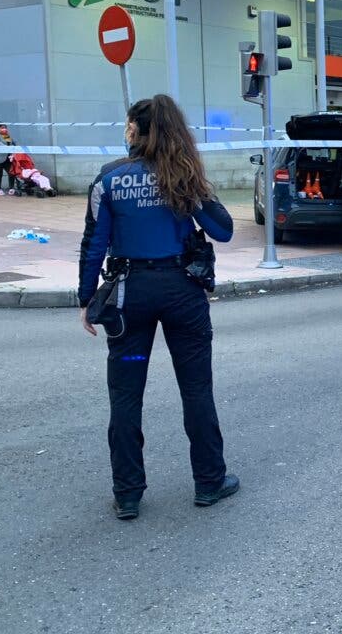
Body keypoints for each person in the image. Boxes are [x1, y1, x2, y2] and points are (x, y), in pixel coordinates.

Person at [78, 94, 238, 521]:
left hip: (130, 300)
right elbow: (222, 231)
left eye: (128, 124)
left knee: (126, 393)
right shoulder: (185, 177)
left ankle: (128, 492)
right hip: (183, 295)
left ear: (136, 130)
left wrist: (85, 298)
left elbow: (93, 244)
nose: (125, 130)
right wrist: (196, 193)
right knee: (196, 389)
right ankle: (209, 482)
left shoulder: (109, 180)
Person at [0, 123, 15, 196]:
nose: (5, 129)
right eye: (2, 128)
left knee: (11, 173)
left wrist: (15, 147)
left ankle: (11, 188)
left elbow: (12, 143)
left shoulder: (6, 135)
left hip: (7, 158)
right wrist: (7, 148)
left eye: (5, 127)